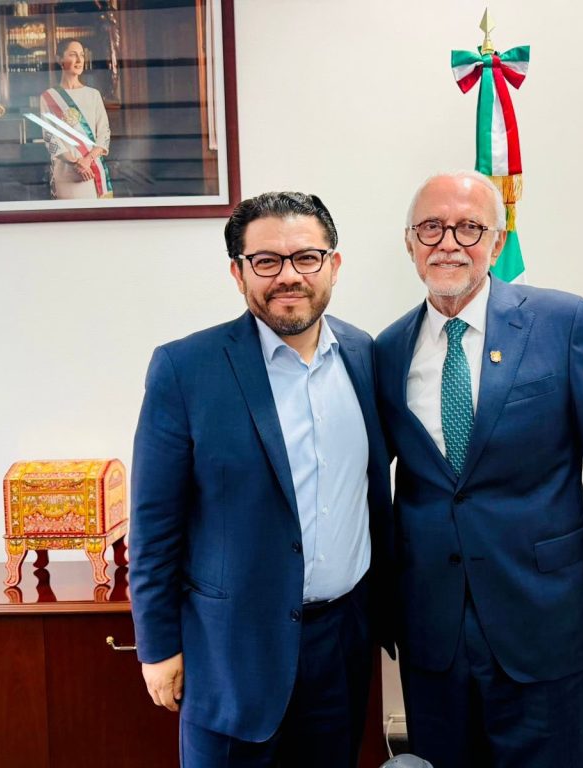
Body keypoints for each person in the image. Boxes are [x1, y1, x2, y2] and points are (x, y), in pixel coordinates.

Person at [375, 171, 583, 767]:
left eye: (469, 228)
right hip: (433, 627)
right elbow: (373, 485)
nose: (449, 243)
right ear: (409, 242)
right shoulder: (387, 349)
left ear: (497, 242)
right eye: (431, 228)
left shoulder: (562, 322)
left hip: (543, 614)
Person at [129, 192, 393, 767]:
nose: (288, 276)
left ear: (333, 265)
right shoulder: (185, 369)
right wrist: (158, 647)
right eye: (267, 260)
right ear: (238, 273)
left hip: (341, 642)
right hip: (230, 653)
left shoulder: (364, 355)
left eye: (306, 257)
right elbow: (154, 525)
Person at [39, 39, 112, 199]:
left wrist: (87, 161)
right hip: (66, 173)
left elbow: (104, 133)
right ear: (60, 59)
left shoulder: (93, 95)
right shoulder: (48, 97)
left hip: (92, 169)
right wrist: (74, 162)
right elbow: (50, 137)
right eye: (73, 55)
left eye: (82, 55)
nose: (79, 60)